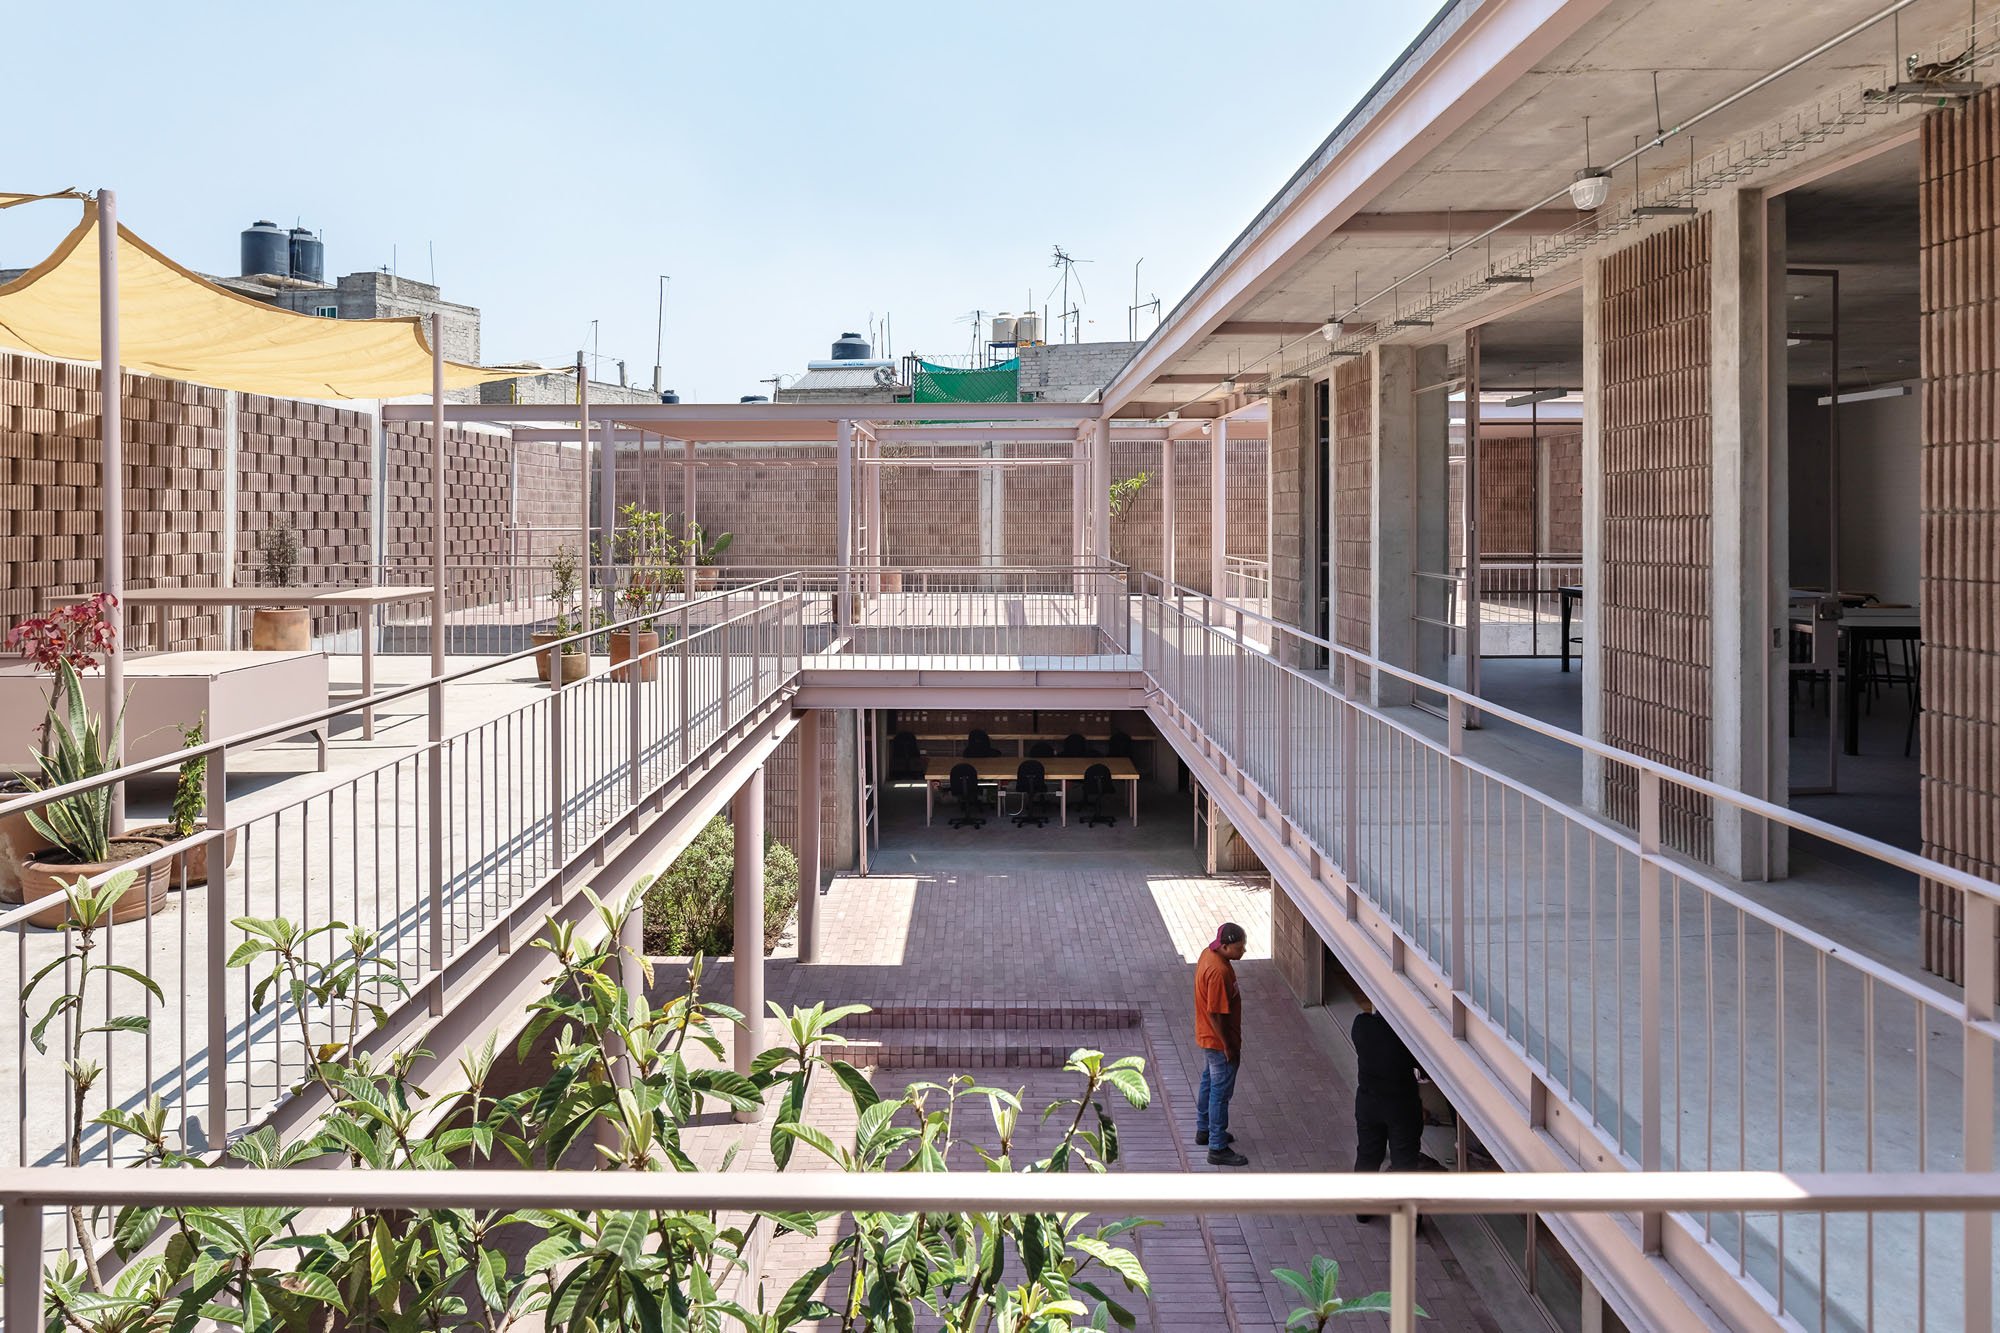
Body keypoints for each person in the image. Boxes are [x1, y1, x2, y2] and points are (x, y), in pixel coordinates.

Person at [1351, 993, 1425, 1220]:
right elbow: (1422, 1066)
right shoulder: (1406, 1038)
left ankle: (1363, 1209)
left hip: (1368, 1101)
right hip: (1401, 1104)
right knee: (1404, 1161)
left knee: (1368, 1154)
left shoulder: (1361, 1026)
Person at [1194, 922, 1249, 1166]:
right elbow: (1215, 1013)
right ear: (1225, 946)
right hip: (1218, 1042)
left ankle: (1204, 1129)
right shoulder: (1218, 972)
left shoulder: (1209, 954)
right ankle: (1217, 1146)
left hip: (1209, 1038)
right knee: (1220, 1093)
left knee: (1209, 1082)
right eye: (1239, 947)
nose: (1243, 951)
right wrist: (1228, 1046)